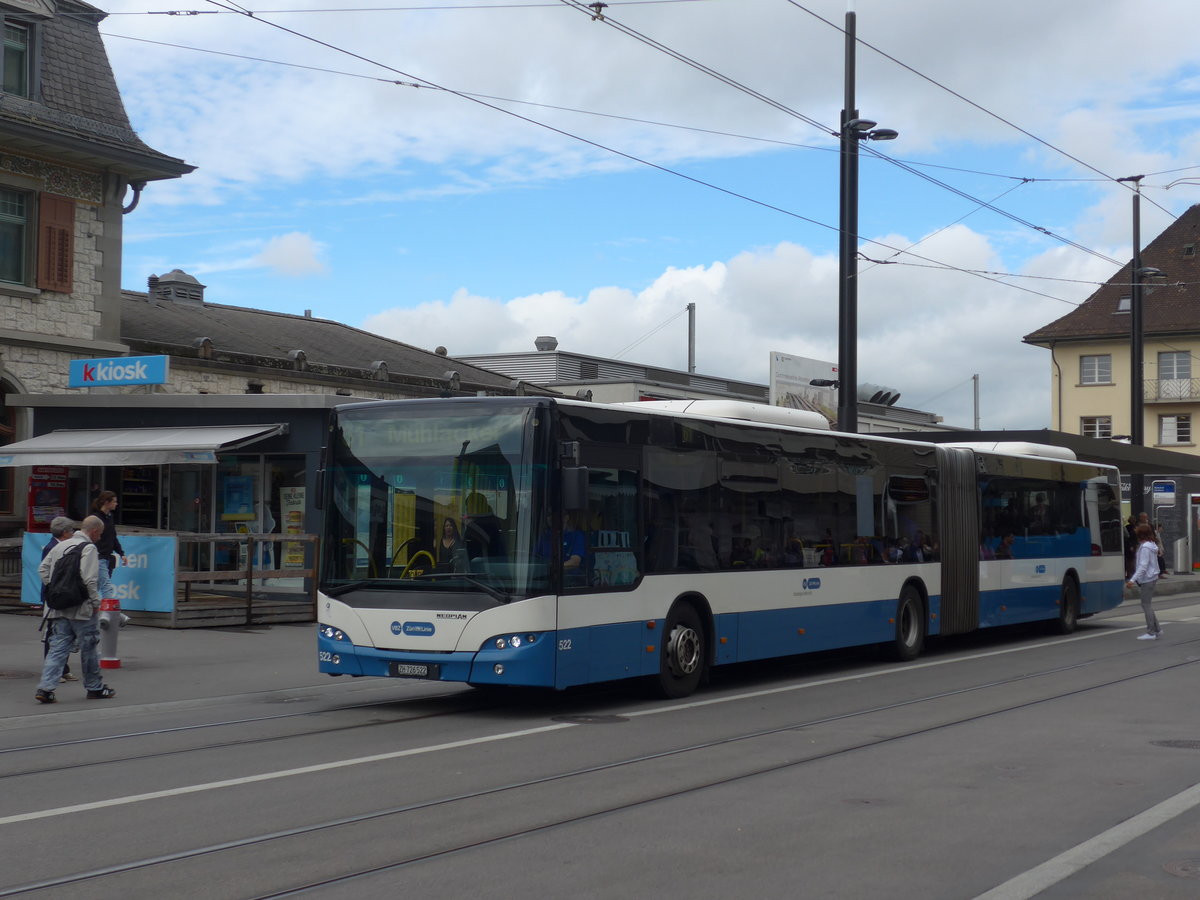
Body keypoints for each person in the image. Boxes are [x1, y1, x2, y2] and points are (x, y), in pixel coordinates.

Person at [35, 515, 116, 703]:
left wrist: (56, 589)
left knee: (57, 647)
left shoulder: (61, 545)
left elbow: (42, 569)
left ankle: (45, 689)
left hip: (60, 607)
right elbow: (90, 580)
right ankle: (94, 687)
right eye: (100, 534)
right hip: (82, 608)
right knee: (89, 648)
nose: (100, 537)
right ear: (94, 531)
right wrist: (96, 603)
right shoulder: (88, 548)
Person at [40, 516, 78, 683]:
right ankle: (54, 668)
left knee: (64, 631)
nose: (73, 534)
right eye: (71, 531)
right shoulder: (52, 547)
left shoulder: (61, 545)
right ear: (64, 533)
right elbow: (46, 571)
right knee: (52, 633)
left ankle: (63, 667)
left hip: (62, 594)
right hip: (55, 595)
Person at [1127, 522, 1163, 641]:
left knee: (1146, 605)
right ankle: (1157, 630)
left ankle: (1151, 632)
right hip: (1151, 577)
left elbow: (1143, 566)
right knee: (1147, 604)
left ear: (1140, 535)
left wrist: (1132, 580)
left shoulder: (1145, 548)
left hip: (1147, 578)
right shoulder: (1150, 545)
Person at [91, 490, 126, 600]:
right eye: (114, 501)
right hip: (98, 555)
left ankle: (90, 607)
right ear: (107, 502)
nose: (116, 504)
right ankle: (110, 610)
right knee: (106, 585)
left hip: (107, 556)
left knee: (97, 585)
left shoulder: (110, 516)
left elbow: (113, 536)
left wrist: (121, 553)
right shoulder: (95, 518)